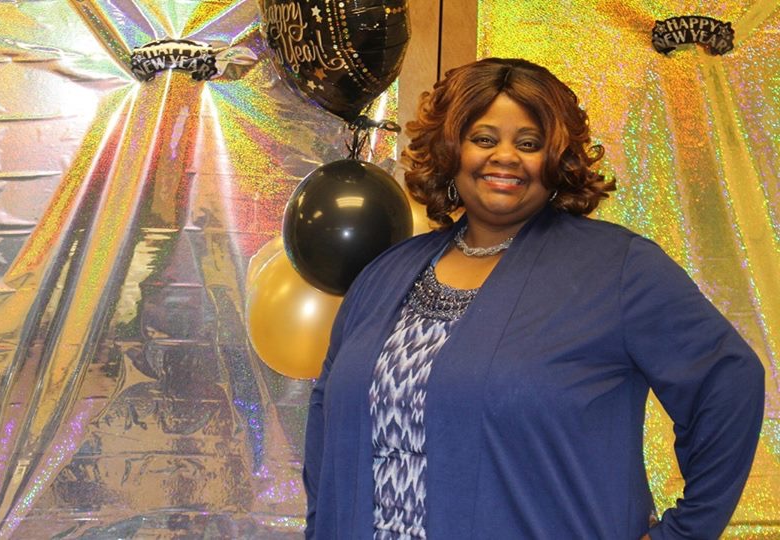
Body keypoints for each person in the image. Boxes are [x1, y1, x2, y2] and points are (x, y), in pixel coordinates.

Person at [302, 57, 764, 539]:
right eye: (484, 139)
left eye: (529, 143)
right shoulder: (384, 276)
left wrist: (683, 533)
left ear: (556, 158)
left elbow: (728, 383)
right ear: (450, 149)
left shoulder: (617, 268)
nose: (505, 156)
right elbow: (324, 422)